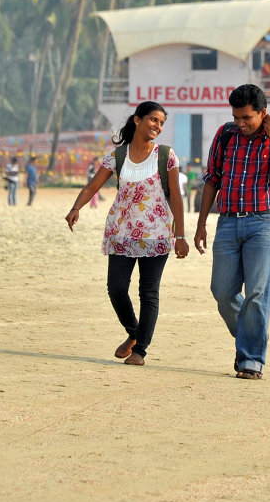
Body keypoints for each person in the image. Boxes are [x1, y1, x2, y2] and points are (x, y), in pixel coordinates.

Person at [65, 101, 188, 366]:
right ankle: (134, 332)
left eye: (162, 122)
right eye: (154, 120)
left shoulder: (166, 155)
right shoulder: (117, 157)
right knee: (116, 289)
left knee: (148, 292)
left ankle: (140, 350)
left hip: (156, 235)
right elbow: (91, 187)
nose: (158, 126)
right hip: (120, 233)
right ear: (137, 120)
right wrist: (76, 207)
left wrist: (180, 236)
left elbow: (176, 197)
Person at [194, 83, 270, 380]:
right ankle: (252, 335)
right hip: (227, 221)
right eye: (236, 117)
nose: (240, 124)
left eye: (247, 118)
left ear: (263, 113)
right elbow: (212, 179)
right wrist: (201, 224)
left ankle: (251, 359)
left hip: (265, 222)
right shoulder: (226, 135)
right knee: (222, 292)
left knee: (257, 293)